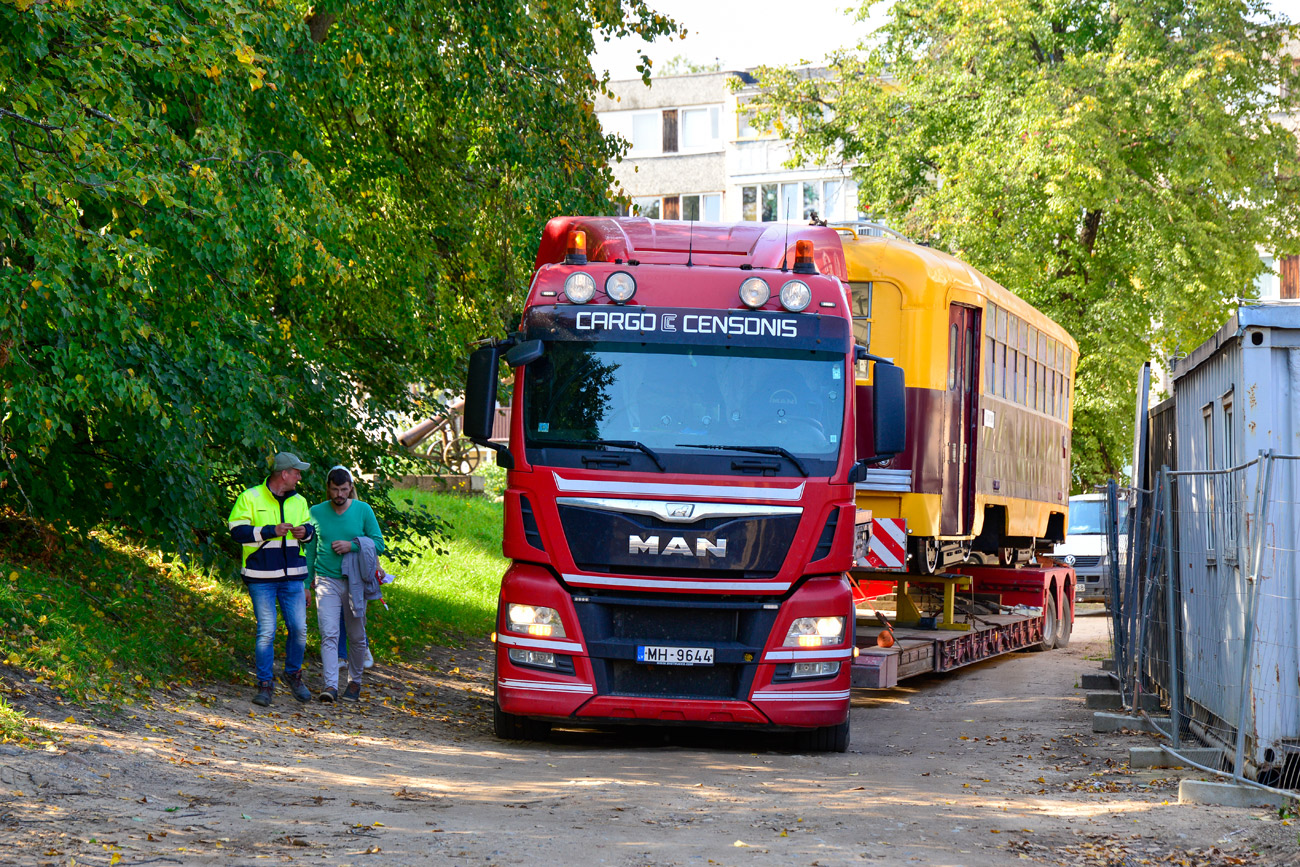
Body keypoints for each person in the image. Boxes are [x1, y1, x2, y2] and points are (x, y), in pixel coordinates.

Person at [228, 452, 316, 707]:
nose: (300, 476)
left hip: (293, 578)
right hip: (261, 577)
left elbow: (311, 532)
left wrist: (305, 532)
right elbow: (236, 531)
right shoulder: (250, 497)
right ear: (284, 473)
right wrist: (270, 531)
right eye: (297, 472)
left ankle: (293, 675)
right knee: (266, 631)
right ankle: (265, 684)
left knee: (299, 630)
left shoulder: (300, 501)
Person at [306, 465, 385, 702]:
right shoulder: (316, 512)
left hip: (355, 582)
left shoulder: (363, 510)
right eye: (334, 489)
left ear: (350, 488)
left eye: (343, 489)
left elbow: (378, 543)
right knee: (329, 634)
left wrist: (352, 545)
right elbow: (310, 549)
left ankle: (354, 683)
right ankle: (330, 686)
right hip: (326, 580)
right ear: (328, 489)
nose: (339, 494)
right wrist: (306, 582)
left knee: (356, 635)